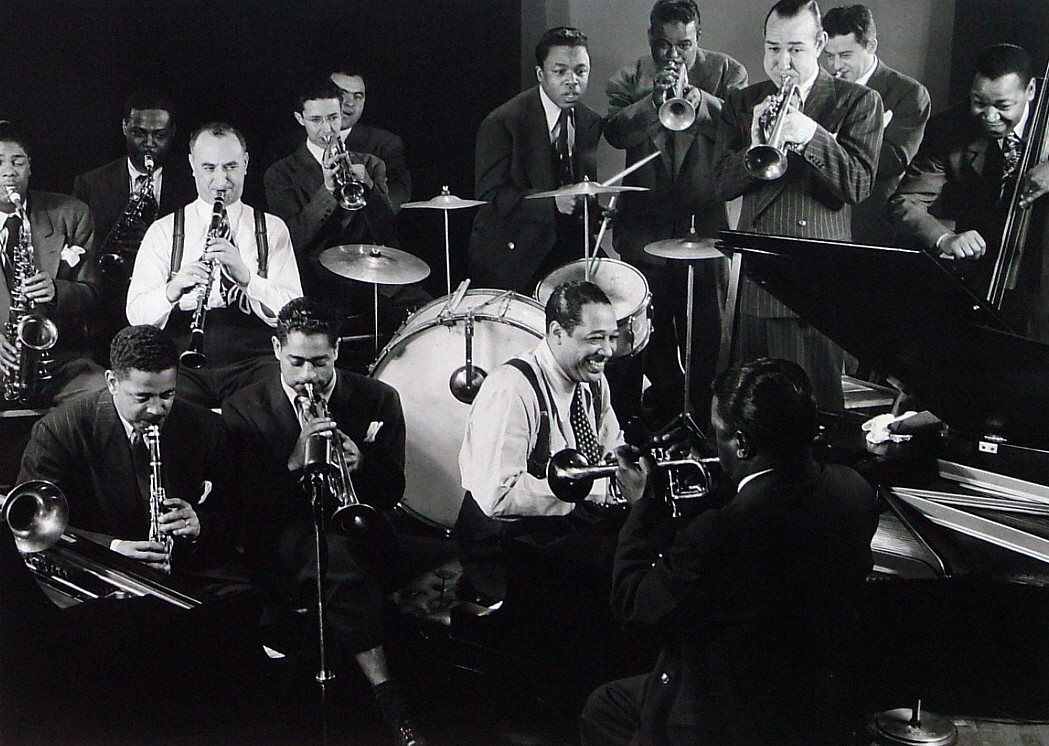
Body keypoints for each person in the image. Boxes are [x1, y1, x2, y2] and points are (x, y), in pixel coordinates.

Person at [579, 357, 880, 746]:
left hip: (723, 716)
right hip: (810, 701)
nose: (713, 443)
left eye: (717, 433)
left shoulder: (722, 532)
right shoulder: (853, 489)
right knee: (609, 705)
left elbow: (634, 608)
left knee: (601, 708)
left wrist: (642, 507)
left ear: (741, 444)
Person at [222, 297, 425, 746]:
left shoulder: (378, 398)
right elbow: (246, 508)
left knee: (377, 558)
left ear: (338, 351)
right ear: (276, 349)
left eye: (320, 362)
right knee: (342, 566)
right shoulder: (244, 407)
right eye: (296, 362)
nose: (308, 377)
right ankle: (388, 698)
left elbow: (392, 493)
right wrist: (295, 462)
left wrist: (362, 466)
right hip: (282, 533)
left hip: (361, 524)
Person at [713, 0, 883, 412]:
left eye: (796, 49)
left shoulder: (857, 101)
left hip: (815, 278)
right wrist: (756, 145)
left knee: (811, 410)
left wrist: (810, 134)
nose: (782, 63)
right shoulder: (742, 102)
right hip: (755, 277)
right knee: (753, 410)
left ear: (820, 43)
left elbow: (858, 185)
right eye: (773, 49)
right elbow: (719, 183)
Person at [605, 0, 748, 424]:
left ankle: (704, 426)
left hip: (704, 229)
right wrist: (652, 103)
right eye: (663, 46)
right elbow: (614, 132)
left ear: (698, 38)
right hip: (643, 232)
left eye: (683, 45)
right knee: (650, 341)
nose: (672, 56)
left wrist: (697, 98)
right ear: (651, 39)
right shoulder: (629, 77)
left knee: (706, 338)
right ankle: (664, 421)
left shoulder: (728, 73)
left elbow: (738, 132)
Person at [17, 324, 237, 576]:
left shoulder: (206, 426)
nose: (156, 409)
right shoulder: (58, 430)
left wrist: (200, 523)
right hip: (97, 572)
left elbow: (235, 513)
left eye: (167, 395)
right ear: (112, 382)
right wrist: (111, 549)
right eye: (142, 398)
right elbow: (31, 524)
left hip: (188, 573)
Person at [456, 280, 624, 606]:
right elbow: (498, 496)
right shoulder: (511, 389)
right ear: (557, 333)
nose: (608, 350)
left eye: (611, 338)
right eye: (595, 339)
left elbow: (611, 445)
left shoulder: (593, 379)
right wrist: (599, 491)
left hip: (559, 529)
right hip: (501, 546)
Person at [126, 122, 302, 408]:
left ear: (245, 163)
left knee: (271, 407)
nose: (221, 181)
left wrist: (247, 278)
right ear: (192, 166)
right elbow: (136, 314)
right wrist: (174, 289)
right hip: (182, 361)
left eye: (230, 166)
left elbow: (293, 314)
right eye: (209, 168)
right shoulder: (163, 230)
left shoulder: (271, 228)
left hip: (255, 361)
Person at [889, 43, 1049, 339]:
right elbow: (905, 201)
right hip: (985, 279)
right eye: (979, 102)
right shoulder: (949, 128)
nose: (989, 116)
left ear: (1030, 91)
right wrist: (945, 238)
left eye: (1003, 106)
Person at [468, 27, 603, 293]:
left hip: (568, 245)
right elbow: (491, 197)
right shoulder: (503, 122)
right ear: (540, 74)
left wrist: (595, 211)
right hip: (514, 254)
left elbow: (581, 185)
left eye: (580, 71)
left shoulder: (589, 121)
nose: (572, 80)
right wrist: (553, 202)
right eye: (560, 71)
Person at [265, 79, 408, 325]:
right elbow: (293, 240)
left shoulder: (371, 164)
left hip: (368, 280)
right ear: (301, 119)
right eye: (316, 120)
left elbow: (387, 232)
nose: (327, 130)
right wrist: (327, 191)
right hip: (315, 284)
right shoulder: (280, 174)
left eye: (333, 118)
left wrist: (370, 188)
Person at [73, 89, 197, 360]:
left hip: (172, 312)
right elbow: (84, 256)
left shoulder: (194, 183)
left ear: (173, 132)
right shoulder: (90, 184)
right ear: (124, 128)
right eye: (139, 133)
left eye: (159, 135)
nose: (149, 143)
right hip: (109, 310)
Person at [0, 121, 106, 406]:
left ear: (30, 167)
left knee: (105, 394)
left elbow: (95, 294)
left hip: (61, 362)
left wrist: (57, 291)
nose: (8, 171)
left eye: (17, 161)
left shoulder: (70, 213)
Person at [822, 5, 931, 246]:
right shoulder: (822, 88)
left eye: (845, 55)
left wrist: (823, 140)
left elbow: (893, 160)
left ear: (870, 46)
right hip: (819, 221)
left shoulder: (909, 93)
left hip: (870, 225)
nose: (835, 66)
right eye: (829, 55)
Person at [330, 66, 413, 212]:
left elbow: (398, 196)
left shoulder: (386, 144)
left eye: (358, 96)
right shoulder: (292, 144)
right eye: (341, 94)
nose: (350, 103)